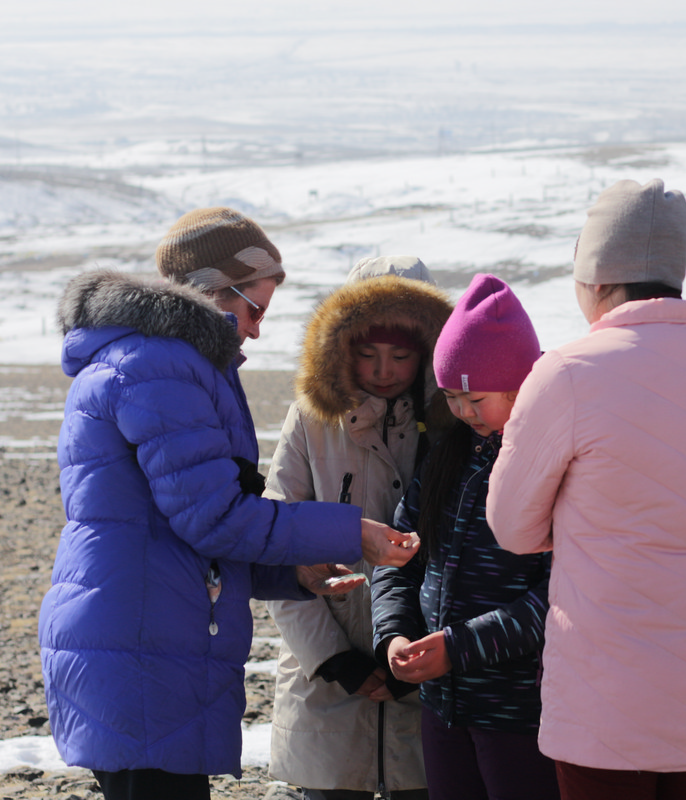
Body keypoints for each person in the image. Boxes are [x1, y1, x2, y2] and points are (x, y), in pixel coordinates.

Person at [39, 208, 418, 800]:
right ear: (213, 289)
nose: (257, 331)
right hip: (142, 643)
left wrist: (290, 572)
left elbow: (185, 530)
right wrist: (352, 534)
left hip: (146, 632)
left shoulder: (166, 361)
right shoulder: (157, 367)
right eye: (254, 310)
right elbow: (212, 517)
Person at [487, 179, 686, 800]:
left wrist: (580, 520)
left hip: (605, 690)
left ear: (595, 277)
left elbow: (512, 528)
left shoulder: (566, 372)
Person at [263, 255, 453, 800]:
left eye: (401, 355)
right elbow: (275, 541)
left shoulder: (457, 426)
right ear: (342, 348)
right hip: (326, 684)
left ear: (430, 350)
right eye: (368, 354)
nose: (384, 370)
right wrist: (332, 659)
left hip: (425, 674)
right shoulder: (310, 418)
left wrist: (417, 651)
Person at [370, 274, 559, 800]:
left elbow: (561, 593)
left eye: (475, 398)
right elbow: (399, 554)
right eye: (451, 396)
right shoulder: (447, 459)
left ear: (521, 386)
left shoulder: (554, 466)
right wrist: (394, 635)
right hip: (442, 706)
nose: (462, 412)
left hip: (521, 710)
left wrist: (459, 647)